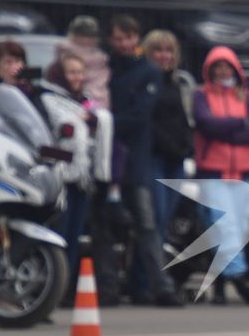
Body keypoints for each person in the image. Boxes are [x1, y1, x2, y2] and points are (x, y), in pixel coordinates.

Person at [107, 16, 181, 307]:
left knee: (148, 225)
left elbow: (140, 116)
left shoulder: (148, 72)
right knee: (105, 227)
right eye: (118, 38)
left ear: (136, 39)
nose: (123, 43)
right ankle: (108, 285)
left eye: (128, 37)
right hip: (105, 160)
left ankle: (159, 286)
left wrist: (104, 120)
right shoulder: (106, 69)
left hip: (137, 160)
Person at [191, 45, 249, 304]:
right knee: (225, 226)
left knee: (240, 229)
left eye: (227, 66)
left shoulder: (246, 95)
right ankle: (240, 276)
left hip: (245, 171)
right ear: (210, 71)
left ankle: (221, 285)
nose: (223, 71)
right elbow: (206, 124)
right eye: (217, 67)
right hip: (214, 171)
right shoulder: (201, 96)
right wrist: (238, 124)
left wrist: (226, 131)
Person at [35, 48, 102, 283]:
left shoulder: (87, 103)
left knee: (74, 235)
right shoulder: (48, 99)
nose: (77, 77)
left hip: (82, 179)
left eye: (80, 72)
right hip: (58, 178)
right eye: (71, 72)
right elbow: (43, 141)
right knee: (57, 234)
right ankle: (46, 284)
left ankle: (64, 287)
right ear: (60, 74)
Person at [144, 29, 196, 260]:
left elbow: (185, 118)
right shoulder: (146, 80)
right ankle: (148, 279)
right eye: (158, 50)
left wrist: (186, 145)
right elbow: (148, 121)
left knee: (166, 219)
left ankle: (156, 275)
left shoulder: (179, 82)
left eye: (169, 50)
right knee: (157, 215)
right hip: (155, 157)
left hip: (177, 159)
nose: (164, 56)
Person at [65, 15, 111, 106]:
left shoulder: (101, 59)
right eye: (82, 35)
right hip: (72, 104)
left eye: (90, 36)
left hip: (98, 107)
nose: (86, 39)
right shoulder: (64, 56)